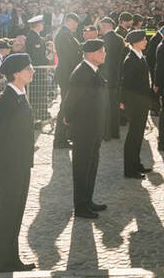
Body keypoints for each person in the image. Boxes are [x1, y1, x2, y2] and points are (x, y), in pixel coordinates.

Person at [0, 53, 36, 272]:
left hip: (21, 164)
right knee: (6, 213)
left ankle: (12, 260)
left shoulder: (21, 94)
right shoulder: (4, 100)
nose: (32, 70)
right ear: (16, 73)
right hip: (7, 166)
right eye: (28, 68)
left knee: (16, 213)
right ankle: (1, 264)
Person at [64, 39, 108, 219]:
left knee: (92, 165)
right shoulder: (82, 73)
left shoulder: (93, 70)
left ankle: (88, 200)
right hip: (84, 129)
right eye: (101, 51)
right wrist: (69, 120)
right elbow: (71, 101)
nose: (104, 54)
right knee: (82, 167)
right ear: (91, 54)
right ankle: (80, 206)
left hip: (93, 127)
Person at [120, 30, 153, 179]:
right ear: (135, 42)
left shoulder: (140, 57)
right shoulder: (130, 59)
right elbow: (126, 85)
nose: (146, 41)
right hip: (135, 105)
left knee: (139, 135)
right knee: (133, 136)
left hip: (142, 103)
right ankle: (129, 169)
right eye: (144, 39)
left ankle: (136, 163)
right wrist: (125, 104)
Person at [53, 13, 82, 149]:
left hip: (67, 72)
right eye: (75, 23)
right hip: (66, 73)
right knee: (65, 105)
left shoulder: (66, 34)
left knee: (67, 104)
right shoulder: (64, 35)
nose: (76, 25)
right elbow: (70, 56)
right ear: (69, 21)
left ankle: (64, 136)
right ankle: (60, 139)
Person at [100, 17, 125, 140]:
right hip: (116, 75)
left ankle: (106, 133)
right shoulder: (120, 39)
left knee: (106, 105)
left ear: (106, 26)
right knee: (114, 105)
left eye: (101, 26)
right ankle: (115, 132)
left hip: (105, 76)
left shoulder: (103, 40)